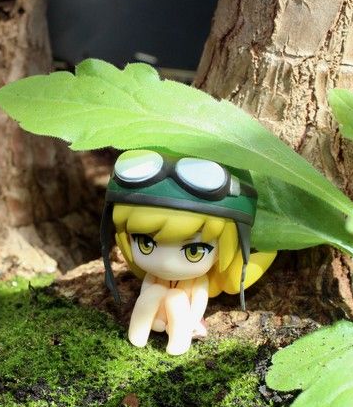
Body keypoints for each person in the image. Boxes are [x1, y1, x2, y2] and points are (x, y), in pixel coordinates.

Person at [101, 150, 276, 355]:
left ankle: (179, 341)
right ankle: (138, 333)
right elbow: (145, 292)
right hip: (156, 318)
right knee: (153, 293)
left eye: (194, 251)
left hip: (184, 320)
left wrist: (192, 322)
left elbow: (198, 304)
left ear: (223, 250)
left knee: (176, 298)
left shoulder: (199, 282)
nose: (166, 263)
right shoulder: (152, 277)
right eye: (145, 243)